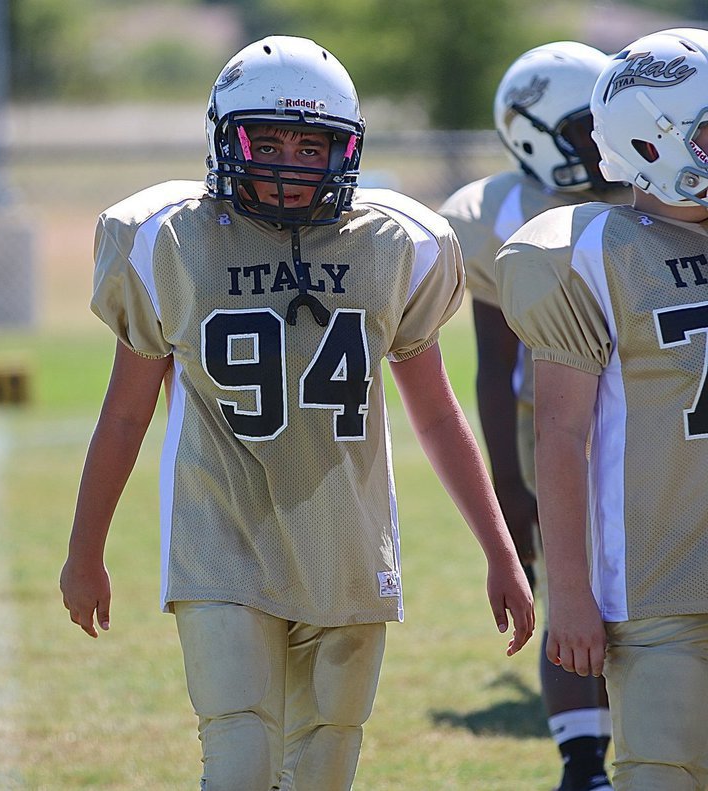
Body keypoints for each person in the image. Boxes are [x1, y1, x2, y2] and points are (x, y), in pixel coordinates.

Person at [59, 35, 534, 791]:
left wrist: (501, 549)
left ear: (343, 152)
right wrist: (86, 547)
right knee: (240, 765)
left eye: (310, 145)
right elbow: (124, 415)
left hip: (347, 548)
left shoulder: (396, 244)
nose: (285, 162)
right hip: (222, 541)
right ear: (224, 139)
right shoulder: (168, 239)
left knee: (320, 774)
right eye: (265, 140)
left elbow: (438, 414)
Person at [495, 27, 708, 790]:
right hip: (652, 584)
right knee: (660, 771)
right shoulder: (586, 250)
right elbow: (560, 433)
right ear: (649, 144)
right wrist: (573, 592)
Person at [439, 41, 628, 791]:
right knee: (570, 585)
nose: (598, 141)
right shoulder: (497, 214)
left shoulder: (648, 191)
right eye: (582, 128)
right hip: (546, 423)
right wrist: (508, 482)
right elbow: (493, 365)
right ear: (531, 134)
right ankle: (583, 761)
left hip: (644, 417)